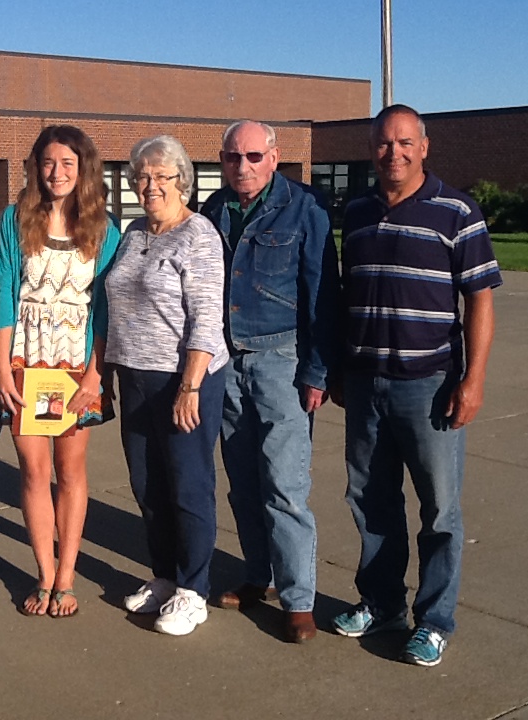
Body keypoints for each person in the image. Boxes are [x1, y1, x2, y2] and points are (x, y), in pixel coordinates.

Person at [332, 104, 501, 667]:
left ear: (424, 147)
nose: (393, 153)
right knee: (370, 501)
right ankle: (381, 603)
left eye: (404, 143)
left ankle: (434, 621)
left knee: (440, 510)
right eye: (383, 143)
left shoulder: (457, 211)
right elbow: (344, 298)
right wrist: (338, 368)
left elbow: (479, 298)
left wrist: (472, 381)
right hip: (364, 385)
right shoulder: (356, 214)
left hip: (428, 387)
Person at [200, 120, 340, 643]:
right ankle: (258, 574)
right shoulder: (212, 211)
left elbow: (324, 293)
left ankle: (298, 597)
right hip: (226, 363)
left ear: (274, 157)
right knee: (243, 483)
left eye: (254, 156)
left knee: (285, 486)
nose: (243, 166)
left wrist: (317, 371)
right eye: (233, 157)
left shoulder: (306, 209)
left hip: (282, 360)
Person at [0, 125, 121, 618]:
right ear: (36, 167)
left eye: (68, 163)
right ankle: (43, 573)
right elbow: (4, 290)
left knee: (70, 473)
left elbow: (105, 307)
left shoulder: (105, 228)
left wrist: (95, 374)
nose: (58, 172)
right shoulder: (15, 218)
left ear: (83, 168)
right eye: (48, 163)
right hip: (26, 363)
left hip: (76, 368)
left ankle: (67, 577)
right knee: (33, 470)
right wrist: (1, 367)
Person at [105, 135, 228, 636]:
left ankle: (194, 590)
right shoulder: (134, 232)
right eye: (141, 176)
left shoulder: (198, 234)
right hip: (134, 376)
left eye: (161, 176)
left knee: (188, 485)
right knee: (147, 483)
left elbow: (206, 317)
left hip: (184, 379)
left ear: (183, 181)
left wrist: (190, 385)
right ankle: (164, 575)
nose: (149, 185)